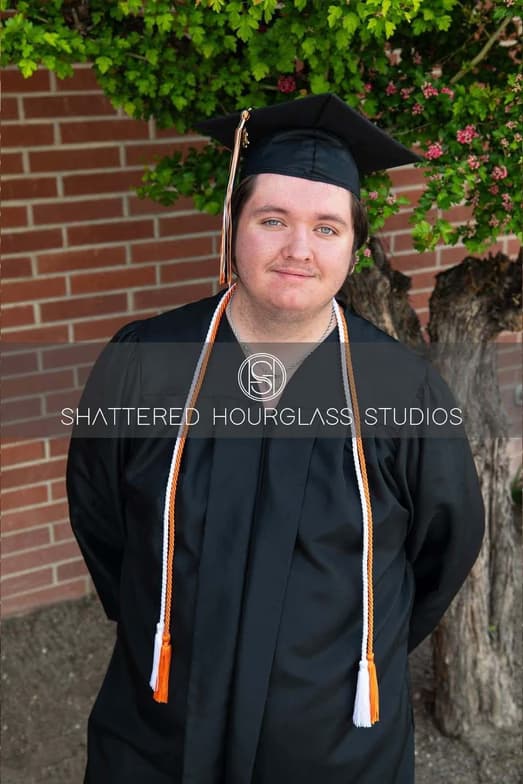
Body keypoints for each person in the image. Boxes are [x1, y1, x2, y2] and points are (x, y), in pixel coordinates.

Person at [66, 93, 484, 783]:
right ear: (234, 225)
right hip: (161, 727)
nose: (298, 249)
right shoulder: (147, 361)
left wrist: (351, 650)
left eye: (326, 228)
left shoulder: (399, 390)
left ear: (355, 245)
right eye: (272, 219)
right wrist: (155, 614)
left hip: (332, 744)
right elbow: (101, 516)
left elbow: (443, 549)